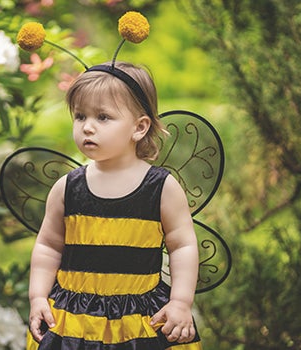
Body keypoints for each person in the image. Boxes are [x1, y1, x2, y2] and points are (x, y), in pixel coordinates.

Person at [26, 61, 202, 349]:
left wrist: (181, 302)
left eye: (103, 117)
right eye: (80, 116)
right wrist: (37, 297)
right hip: (73, 321)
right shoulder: (67, 188)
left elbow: (182, 245)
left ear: (139, 127)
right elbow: (48, 246)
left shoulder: (161, 188)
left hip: (140, 319)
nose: (87, 127)